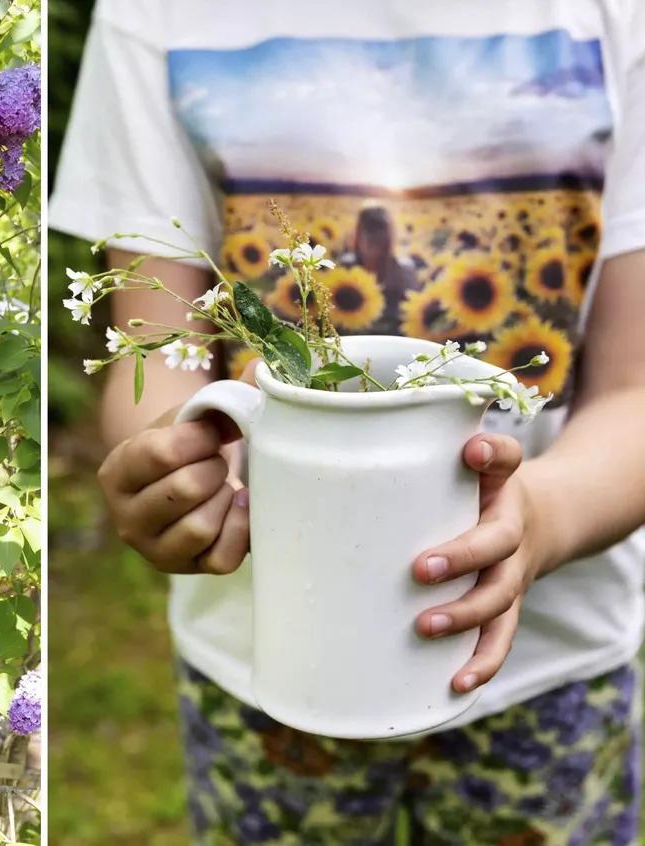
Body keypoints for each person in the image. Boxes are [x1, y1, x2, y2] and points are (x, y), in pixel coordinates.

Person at [51, 2, 645, 843]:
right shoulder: (158, 17)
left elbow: (636, 391)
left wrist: (540, 520)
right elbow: (161, 349)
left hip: (552, 663)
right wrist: (173, 464)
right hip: (273, 660)